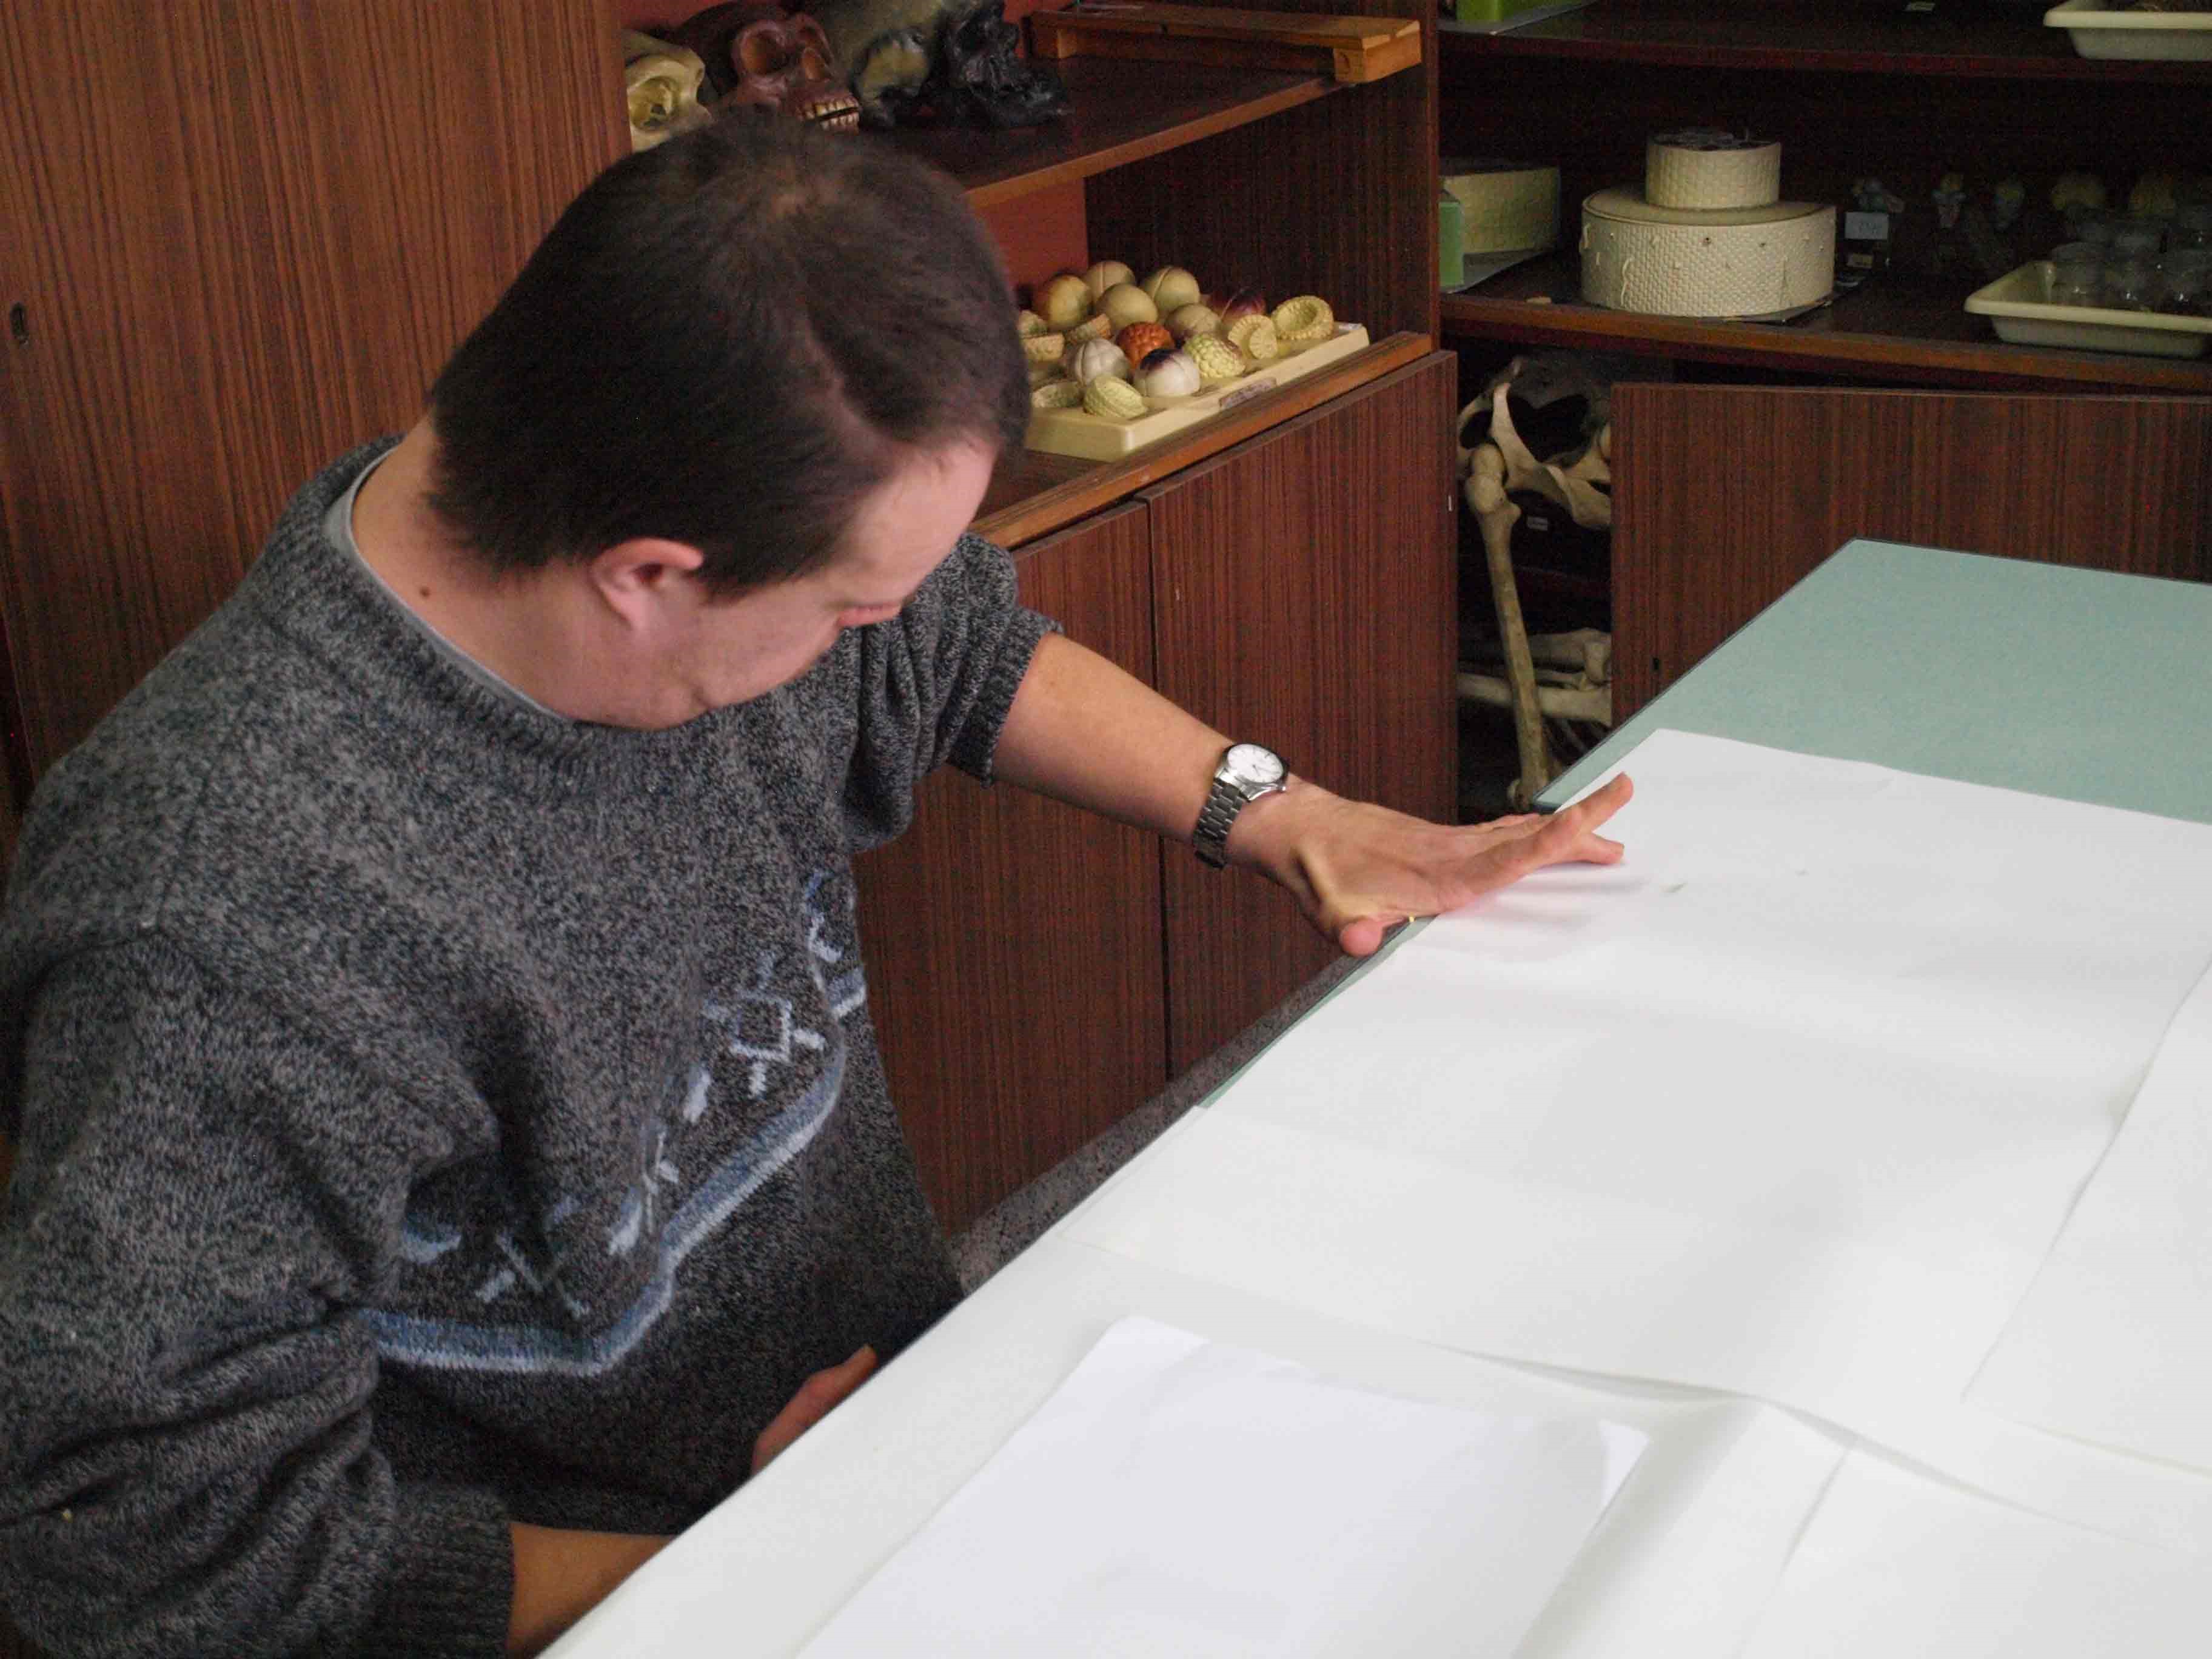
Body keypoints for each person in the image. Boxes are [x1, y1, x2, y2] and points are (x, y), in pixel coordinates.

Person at [0, 113, 1631, 1658]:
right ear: (650, 578)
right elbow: (147, 1549)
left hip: (893, 1441)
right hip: (652, 1590)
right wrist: (766, 1558)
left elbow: (951, 640)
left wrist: (1280, 813)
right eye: (851, 608)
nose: (882, 629)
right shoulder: (226, 926)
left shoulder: (638, 494)